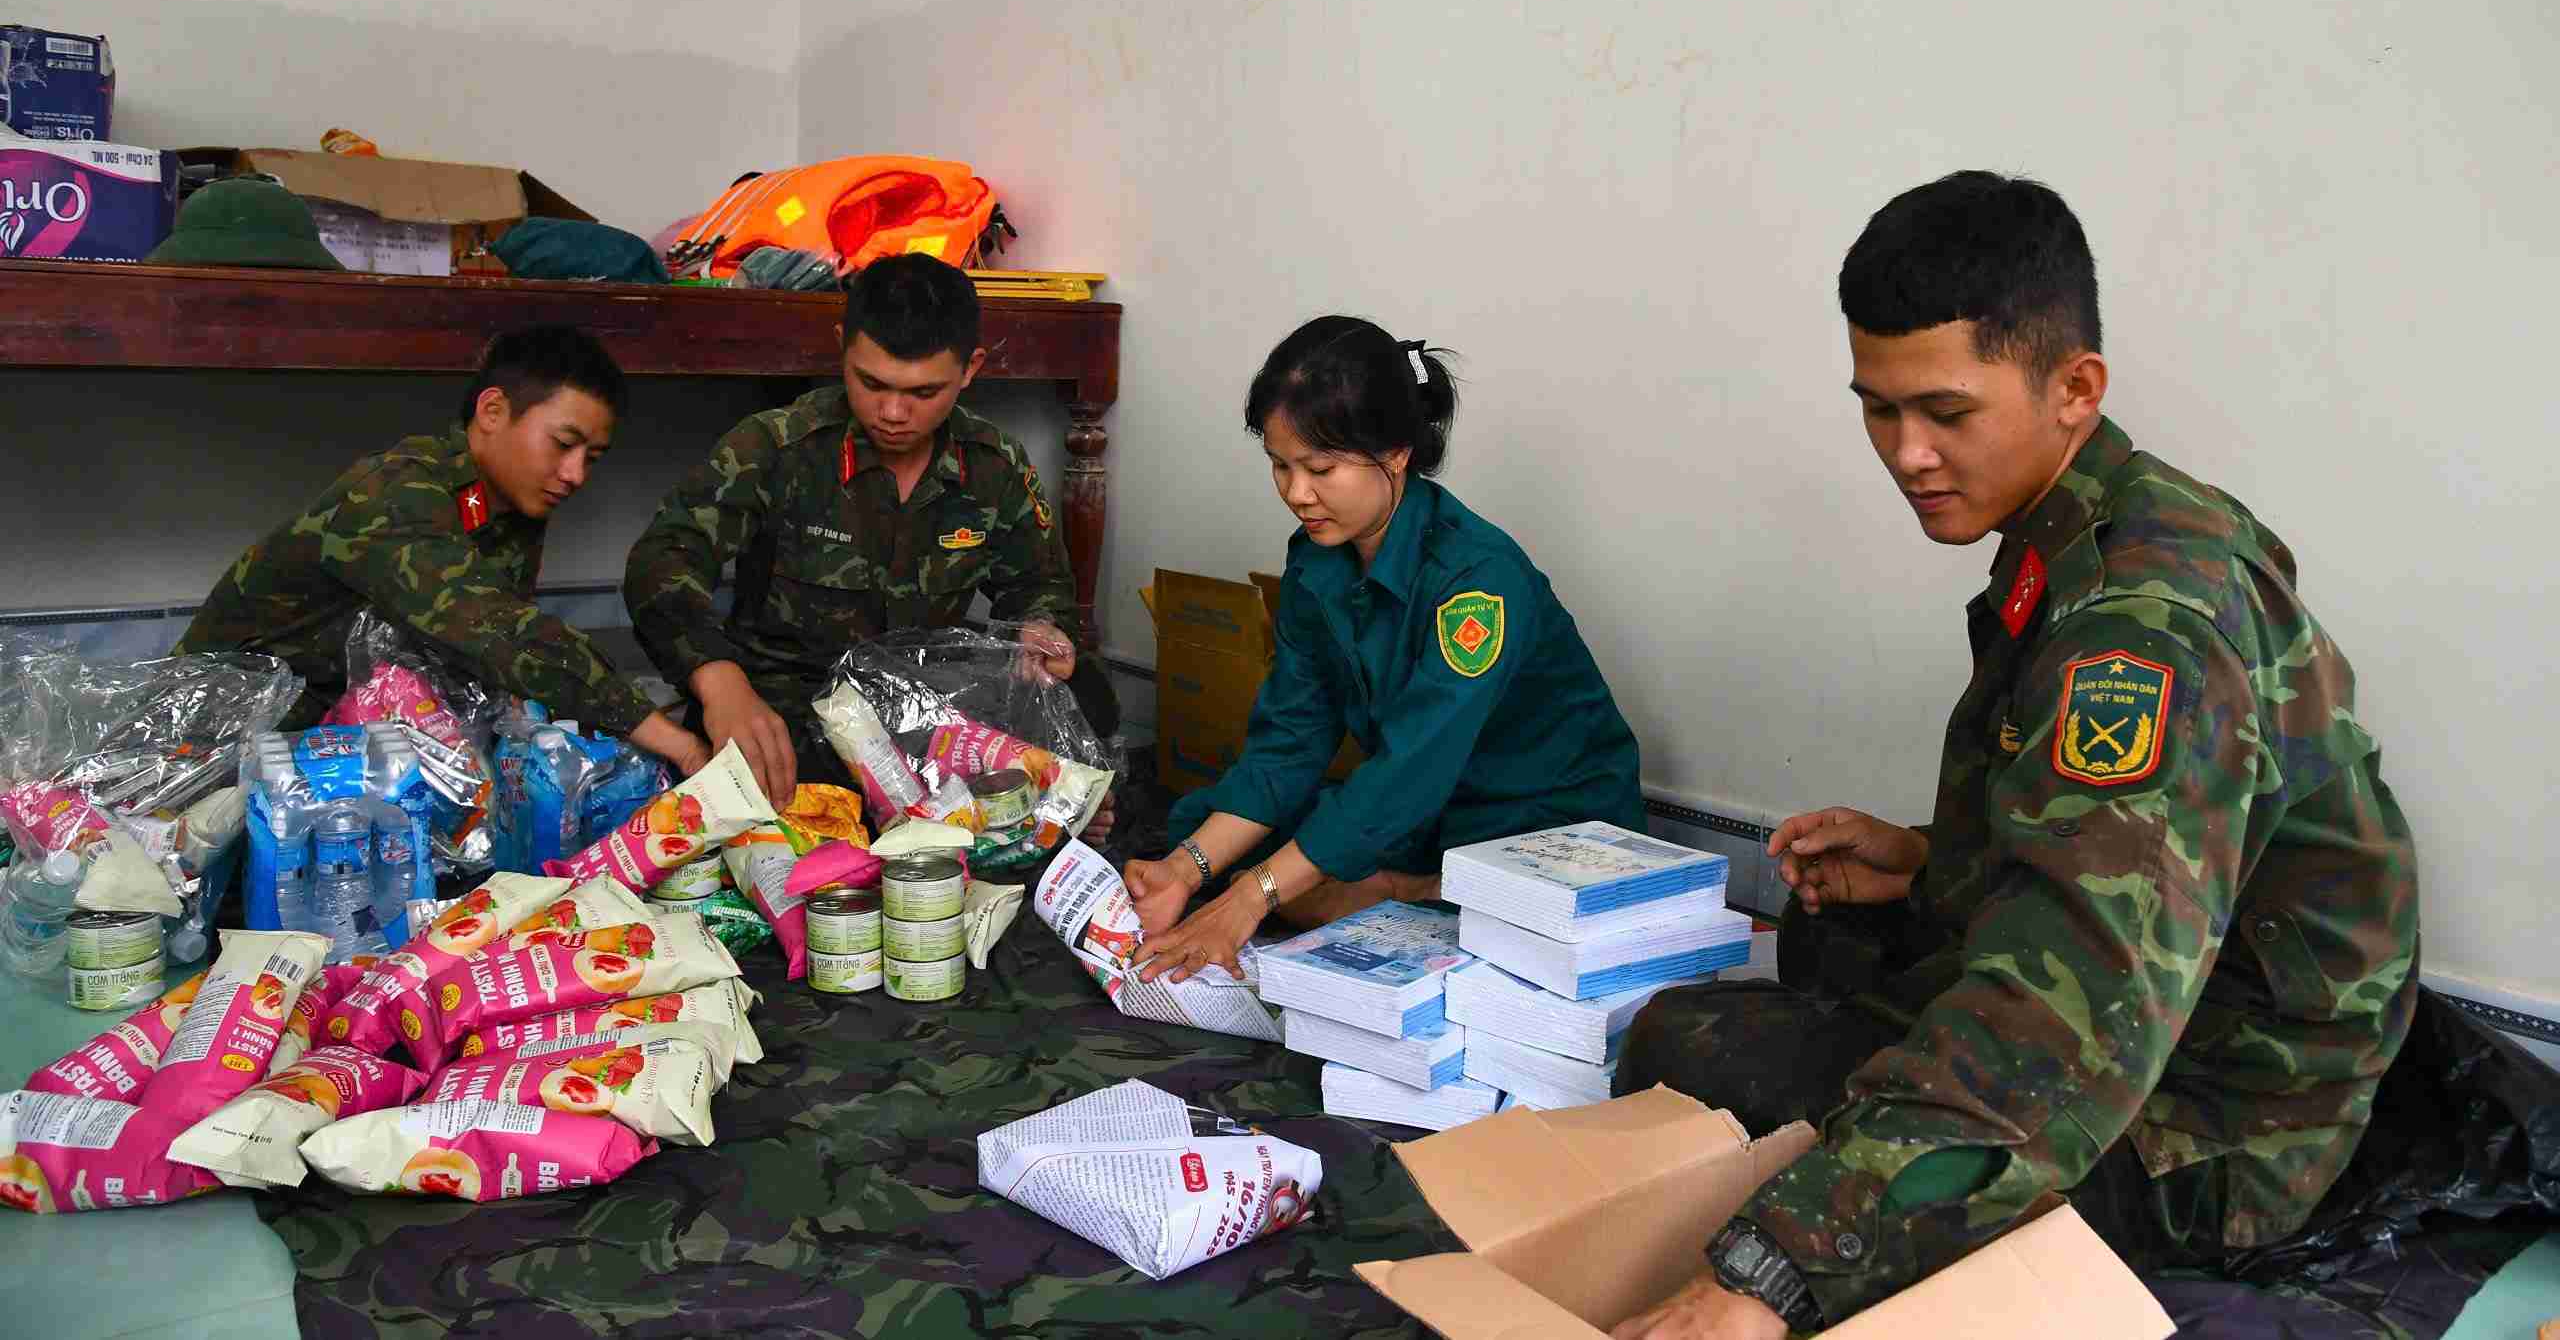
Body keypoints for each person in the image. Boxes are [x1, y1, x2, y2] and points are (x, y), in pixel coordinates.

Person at [1608, 173, 2420, 1339]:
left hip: (2214, 1125)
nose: (1906, 453)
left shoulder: (2145, 625)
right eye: (1878, 410)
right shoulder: (2101, 523)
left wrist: (1765, 1277)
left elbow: (2074, 1009)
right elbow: (2152, 851)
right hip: (2195, 1008)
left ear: (2074, 388)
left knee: (1698, 1046)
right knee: (1816, 958)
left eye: (1945, 412)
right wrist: (1929, 859)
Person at [1126, 316, 1646, 983]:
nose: (1295, 493)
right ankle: (1406, 890)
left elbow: (1409, 771)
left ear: (1397, 452)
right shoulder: (1318, 562)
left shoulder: (1476, 582)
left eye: (1320, 467)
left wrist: (1248, 898)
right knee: (1202, 829)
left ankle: (1411, 893)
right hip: (1431, 816)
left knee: (1269, 878)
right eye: (1279, 466)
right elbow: (1289, 743)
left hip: (1537, 824)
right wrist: (1184, 869)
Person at [622, 253, 1097, 810]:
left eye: (924, 393)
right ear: (840, 346)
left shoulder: (992, 466)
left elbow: (1039, 583)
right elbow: (664, 560)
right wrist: (718, 679)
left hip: (923, 712)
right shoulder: (777, 447)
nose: (893, 412)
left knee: (1087, 713)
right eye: (870, 382)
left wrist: (1039, 628)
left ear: (971, 368)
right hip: (782, 713)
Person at [177, 325, 710, 773]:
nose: (575, 475)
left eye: (592, 457)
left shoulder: (513, 508)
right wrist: (678, 744)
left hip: (345, 739)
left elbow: (491, 664)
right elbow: (500, 635)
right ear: (494, 411)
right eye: (564, 444)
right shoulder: (398, 490)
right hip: (208, 746)